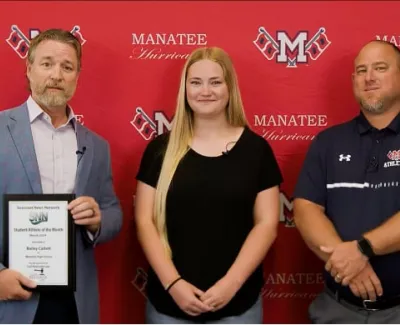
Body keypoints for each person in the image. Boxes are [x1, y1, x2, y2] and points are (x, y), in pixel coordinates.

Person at [135, 46, 282, 323]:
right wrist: (173, 284)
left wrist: (231, 284)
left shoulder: (256, 150)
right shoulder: (159, 150)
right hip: (169, 307)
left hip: (238, 307)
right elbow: (145, 221)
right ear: (185, 89)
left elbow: (266, 223)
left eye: (215, 82)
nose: (206, 91)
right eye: (196, 82)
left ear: (229, 88)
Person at [0, 29, 122, 323]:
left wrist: (98, 220)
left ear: (77, 76)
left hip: (73, 303)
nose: (56, 74)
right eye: (47, 63)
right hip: (10, 299)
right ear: (29, 69)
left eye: (67, 67)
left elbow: (113, 212)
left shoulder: (96, 146)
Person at [293, 40, 400, 323]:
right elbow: (305, 209)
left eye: (380, 68)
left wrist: (362, 249)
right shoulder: (328, 142)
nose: (369, 77)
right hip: (338, 310)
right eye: (361, 71)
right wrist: (349, 265)